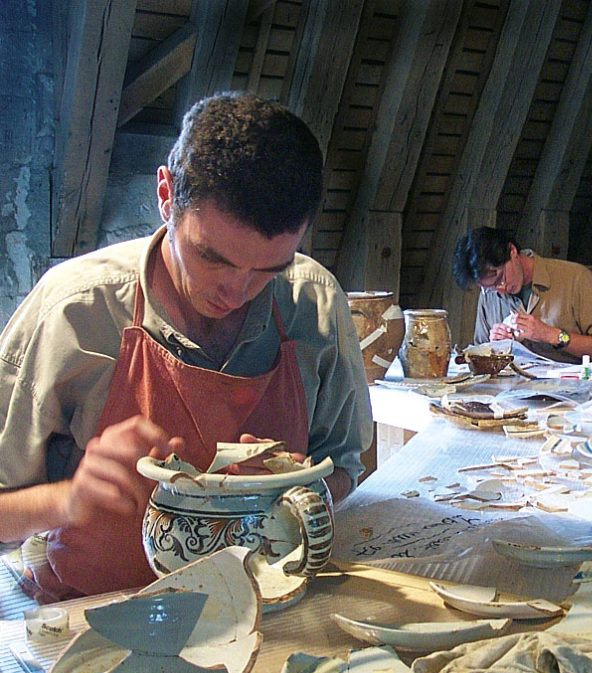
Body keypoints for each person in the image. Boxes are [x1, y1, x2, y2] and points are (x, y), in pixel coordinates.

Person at [0, 91, 372, 601]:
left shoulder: (315, 303)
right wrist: (69, 499)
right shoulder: (74, 312)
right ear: (166, 193)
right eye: (211, 257)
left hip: (268, 614)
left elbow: (346, 462)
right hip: (95, 622)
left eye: (268, 270)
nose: (235, 291)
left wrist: (288, 492)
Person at [452, 226, 592, 363]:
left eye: (500, 279)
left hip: (570, 391)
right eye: (491, 287)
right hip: (512, 392)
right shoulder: (489, 292)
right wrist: (495, 347)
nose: (500, 290)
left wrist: (550, 335)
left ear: (512, 251)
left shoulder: (575, 277)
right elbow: (478, 357)